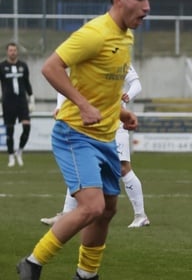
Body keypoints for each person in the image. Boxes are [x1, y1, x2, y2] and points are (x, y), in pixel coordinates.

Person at [16, 0, 154, 280]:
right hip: (74, 134)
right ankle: (32, 262)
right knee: (91, 207)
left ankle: (86, 276)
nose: (147, 7)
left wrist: (121, 112)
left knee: (107, 209)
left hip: (105, 136)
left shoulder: (126, 37)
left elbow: (101, 86)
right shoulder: (95, 33)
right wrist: (81, 104)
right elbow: (50, 67)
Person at [41, 64, 151, 229]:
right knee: (80, 164)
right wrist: (59, 106)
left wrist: (127, 95)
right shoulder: (84, 55)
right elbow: (65, 83)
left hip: (114, 121)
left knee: (123, 168)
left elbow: (136, 84)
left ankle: (140, 215)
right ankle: (65, 214)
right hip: (90, 122)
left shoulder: (117, 55)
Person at [1, 42, 34, 167]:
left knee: (26, 127)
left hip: (21, 102)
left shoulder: (23, 66)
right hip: (8, 102)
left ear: (17, 52)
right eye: (10, 50)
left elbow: (27, 84)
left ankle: (19, 151)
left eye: (14, 50)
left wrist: (32, 100)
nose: (12, 52)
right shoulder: (2, 66)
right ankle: (11, 156)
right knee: (10, 130)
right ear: (7, 52)